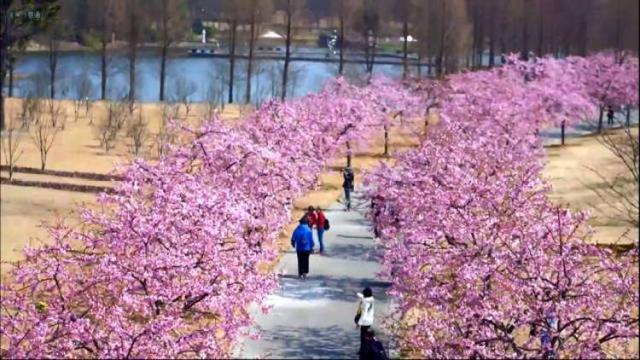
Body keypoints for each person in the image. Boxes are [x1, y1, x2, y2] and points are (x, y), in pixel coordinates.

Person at [355, 287, 375, 355]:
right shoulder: (372, 299)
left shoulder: (365, 303)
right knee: (369, 336)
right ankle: (369, 349)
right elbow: (363, 297)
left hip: (365, 322)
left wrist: (359, 324)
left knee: (363, 338)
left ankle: (363, 351)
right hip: (370, 321)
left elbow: (363, 314)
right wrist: (358, 294)